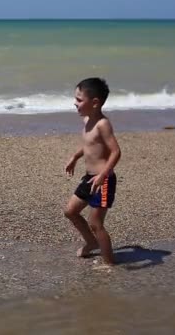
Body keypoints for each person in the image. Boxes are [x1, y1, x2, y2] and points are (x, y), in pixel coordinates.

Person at [63, 77, 121, 265]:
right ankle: (92, 243)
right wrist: (75, 157)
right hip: (89, 178)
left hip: (102, 181)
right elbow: (89, 144)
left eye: (79, 100)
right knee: (71, 211)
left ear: (94, 103)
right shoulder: (87, 120)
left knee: (96, 223)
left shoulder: (103, 124)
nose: (75, 103)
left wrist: (103, 175)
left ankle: (110, 263)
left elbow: (116, 152)